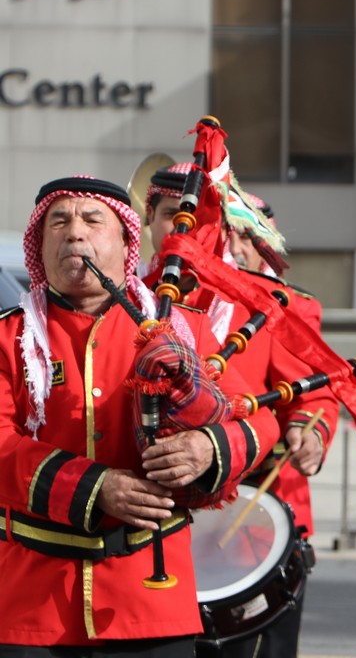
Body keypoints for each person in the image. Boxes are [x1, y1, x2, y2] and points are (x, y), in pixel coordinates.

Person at [0, 176, 282, 654]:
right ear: (39, 244)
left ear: (127, 243)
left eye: (93, 220)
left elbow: (260, 421)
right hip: (29, 605)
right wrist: (95, 488)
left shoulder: (182, 329)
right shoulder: (9, 338)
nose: (75, 232)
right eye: (58, 222)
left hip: (152, 602)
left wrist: (205, 448)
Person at [145, 164, 339, 658]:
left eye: (200, 216)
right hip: (153, 520)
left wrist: (308, 432)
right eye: (171, 214)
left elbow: (311, 393)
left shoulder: (269, 302)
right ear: (148, 222)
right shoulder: (129, 297)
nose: (184, 226)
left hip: (253, 512)